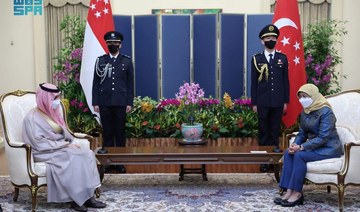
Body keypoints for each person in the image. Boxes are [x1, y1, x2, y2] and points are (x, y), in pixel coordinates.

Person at [22, 83, 106, 212]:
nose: (57, 101)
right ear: (45, 98)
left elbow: (65, 133)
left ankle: (88, 196)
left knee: (87, 153)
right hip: (43, 152)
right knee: (74, 156)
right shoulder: (31, 118)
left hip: (59, 148)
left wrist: (68, 141)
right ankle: (77, 200)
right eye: (54, 98)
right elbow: (39, 143)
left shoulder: (54, 112)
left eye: (58, 97)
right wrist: (66, 144)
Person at [274, 83, 343, 207]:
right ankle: (288, 190)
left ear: (314, 95)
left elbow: (323, 137)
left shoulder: (326, 112)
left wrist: (301, 147)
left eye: (305, 96)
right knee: (288, 153)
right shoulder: (306, 111)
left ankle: (297, 193)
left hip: (328, 148)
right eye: (300, 97)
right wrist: (294, 145)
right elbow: (301, 134)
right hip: (314, 146)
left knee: (299, 155)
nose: (302, 100)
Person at [92, 31, 134, 173]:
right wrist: (95, 102)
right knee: (108, 133)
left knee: (120, 133)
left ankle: (120, 163)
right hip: (105, 102)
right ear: (107, 45)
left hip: (121, 102)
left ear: (120, 45)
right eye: (110, 43)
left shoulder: (127, 61)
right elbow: (96, 83)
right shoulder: (101, 61)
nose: (112, 45)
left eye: (115, 43)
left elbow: (130, 84)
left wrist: (129, 102)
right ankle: (108, 163)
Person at [251, 24, 290, 172]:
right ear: (262, 41)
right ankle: (263, 162)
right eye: (268, 38)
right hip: (262, 101)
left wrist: (286, 101)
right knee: (263, 132)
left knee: (274, 132)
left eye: (273, 38)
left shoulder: (282, 58)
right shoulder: (256, 59)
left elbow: (286, 81)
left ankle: (274, 162)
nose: (271, 40)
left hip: (278, 101)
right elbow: (254, 82)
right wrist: (254, 102)